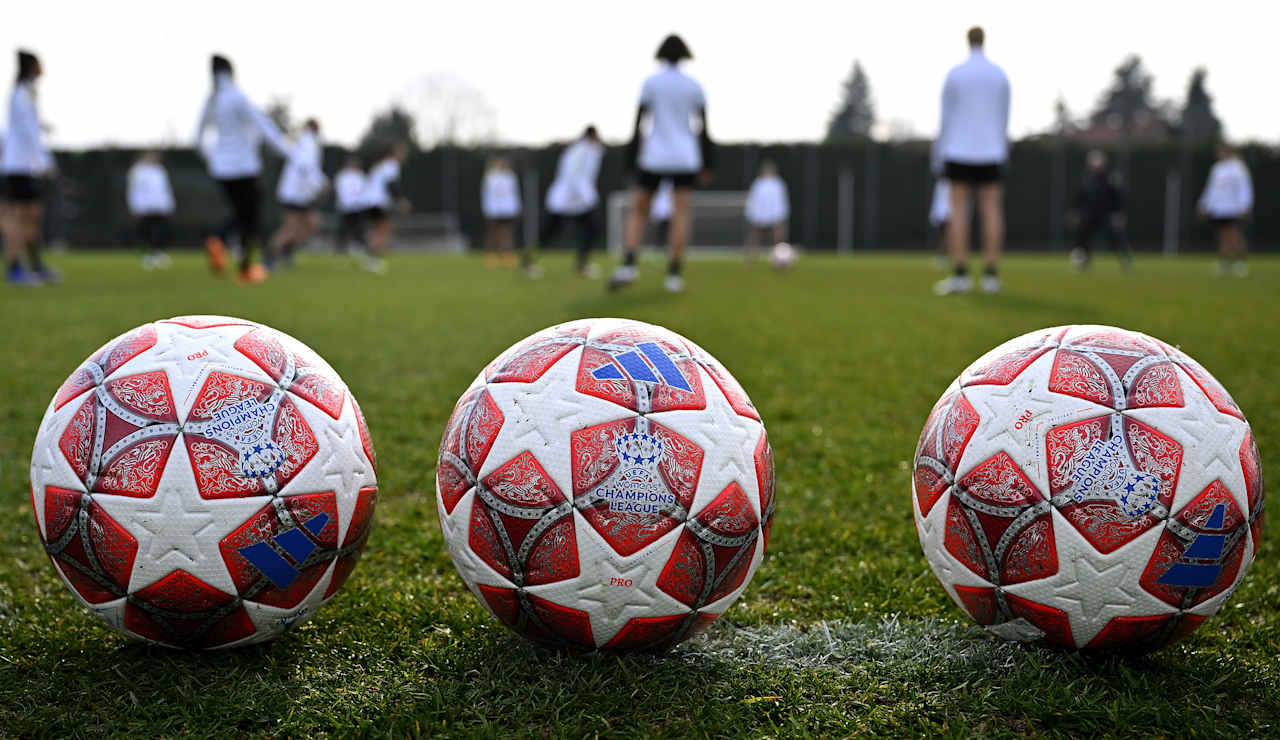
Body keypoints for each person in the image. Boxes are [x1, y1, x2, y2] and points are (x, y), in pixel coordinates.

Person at [611, 34, 713, 293]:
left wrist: (630, 160)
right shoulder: (694, 85)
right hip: (685, 157)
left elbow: (638, 123)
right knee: (681, 214)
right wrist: (707, 163)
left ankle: (629, 265)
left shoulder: (651, 82)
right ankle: (674, 274)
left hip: (654, 156)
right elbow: (704, 128)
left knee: (638, 211)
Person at [194, 54, 292, 284]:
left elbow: (197, 136)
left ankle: (219, 239)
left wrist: (212, 158)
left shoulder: (213, 99)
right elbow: (263, 125)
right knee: (250, 217)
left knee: (240, 213)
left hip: (222, 169)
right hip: (244, 168)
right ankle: (245, 268)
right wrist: (288, 151)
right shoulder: (237, 97)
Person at [931, 26, 1010, 296]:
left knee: (958, 212)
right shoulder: (999, 74)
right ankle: (991, 276)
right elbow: (1004, 116)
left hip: (958, 151)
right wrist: (1002, 150)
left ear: (967, 41)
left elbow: (945, 117)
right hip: (991, 151)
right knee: (992, 211)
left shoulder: (955, 74)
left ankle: (960, 274)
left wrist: (939, 153)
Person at [2, 50, 56, 285]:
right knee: (21, 219)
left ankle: (34, 265)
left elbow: (31, 127)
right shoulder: (22, 93)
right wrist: (44, 161)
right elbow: (27, 131)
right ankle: (15, 268)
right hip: (19, 167)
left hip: (24, 166)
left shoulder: (27, 92)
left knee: (32, 217)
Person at [536, 126, 605, 277]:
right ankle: (529, 261)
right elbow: (575, 175)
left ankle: (582, 264)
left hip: (578, 201)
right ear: (592, 136)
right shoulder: (579, 151)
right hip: (565, 199)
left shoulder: (590, 151)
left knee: (593, 228)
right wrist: (589, 197)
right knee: (549, 232)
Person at [270, 118, 327, 269]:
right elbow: (306, 167)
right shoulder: (308, 142)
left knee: (312, 224)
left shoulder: (305, 142)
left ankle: (287, 250)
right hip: (295, 194)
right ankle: (270, 256)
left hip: (302, 195)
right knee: (291, 228)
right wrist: (320, 182)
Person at [1070, 149, 1131, 272]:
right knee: (1083, 239)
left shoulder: (1110, 179)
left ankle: (1125, 259)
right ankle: (1083, 263)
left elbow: (1117, 198)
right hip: (1089, 214)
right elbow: (1079, 197)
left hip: (1106, 214)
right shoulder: (1086, 179)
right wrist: (1075, 212)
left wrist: (1119, 213)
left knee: (1114, 238)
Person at [1198, 143, 1253, 277]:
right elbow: (1211, 189)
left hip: (1233, 208)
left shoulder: (1238, 168)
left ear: (1229, 152)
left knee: (1234, 235)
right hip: (1219, 208)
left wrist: (1245, 205)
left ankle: (1241, 263)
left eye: (1222, 151)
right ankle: (1225, 263)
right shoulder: (1216, 169)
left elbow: (1244, 187)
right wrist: (1204, 204)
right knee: (1223, 236)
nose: (1220, 154)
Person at [360, 142, 408, 274]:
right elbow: (391, 184)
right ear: (395, 152)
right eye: (402, 152)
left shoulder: (382, 165)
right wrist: (400, 200)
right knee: (383, 231)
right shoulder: (391, 165)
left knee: (380, 230)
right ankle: (372, 260)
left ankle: (371, 258)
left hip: (370, 201)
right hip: (376, 202)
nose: (404, 155)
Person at [126, 151, 176, 270]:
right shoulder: (137, 171)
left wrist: (169, 204)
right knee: (146, 231)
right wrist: (134, 206)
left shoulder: (160, 170)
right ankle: (149, 255)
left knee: (161, 231)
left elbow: (165, 188)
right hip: (144, 207)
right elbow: (133, 190)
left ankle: (157, 254)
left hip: (160, 206)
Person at [744, 160, 789, 260]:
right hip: (759, 215)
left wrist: (780, 215)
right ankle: (751, 257)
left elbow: (781, 200)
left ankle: (779, 256)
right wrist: (752, 214)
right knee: (755, 236)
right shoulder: (758, 183)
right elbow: (753, 199)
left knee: (778, 237)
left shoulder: (778, 184)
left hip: (775, 215)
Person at [480, 156, 521, 268]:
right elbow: (485, 194)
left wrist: (517, 206)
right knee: (492, 233)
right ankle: (491, 256)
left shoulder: (511, 177)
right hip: (493, 209)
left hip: (508, 209)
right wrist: (486, 208)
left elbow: (514, 193)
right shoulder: (490, 177)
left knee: (507, 233)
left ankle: (508, 255)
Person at [333, 155, 367, 255]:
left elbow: (363, 189)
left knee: (359, 228)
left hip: (358, 207)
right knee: (343, 228)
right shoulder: (342, 176)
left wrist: (360, 201)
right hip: (345, 207)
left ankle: (359, 246)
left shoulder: (360, 175)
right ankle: (341, 248)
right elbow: (341, 190)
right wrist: (346, 202)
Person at [929, 179, 951, 269]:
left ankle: (949, 255)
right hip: (943, 212)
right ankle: (943, 255)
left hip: (950, 211)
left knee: (949, 232)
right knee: (944, 233)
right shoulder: (940, 184)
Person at [648, 179, 673, 248]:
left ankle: (667, 244)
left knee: (668, 228)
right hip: (660, 210)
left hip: (668, 210)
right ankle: (659, 244)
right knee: (660, 228)